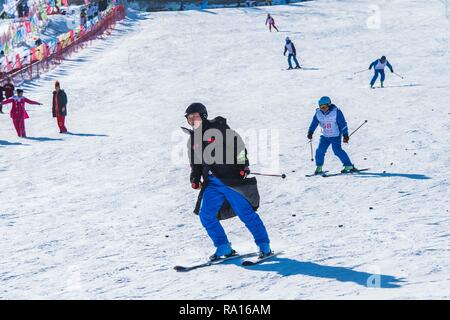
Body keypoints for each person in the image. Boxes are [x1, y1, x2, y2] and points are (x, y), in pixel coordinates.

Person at [183, 103, 272, 260]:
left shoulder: (218, 128)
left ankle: (264, 246)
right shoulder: (193, 139)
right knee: (206, 215)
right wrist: (195, 178)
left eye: (195, 116)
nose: (192, 120)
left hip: (230, 180)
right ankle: (223, 247)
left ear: (203, 115)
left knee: (246, 213)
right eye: (189, 118)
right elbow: (195, 163)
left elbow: (239, 147)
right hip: (211, 183)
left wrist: (243, 165)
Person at [307, 96, 357, 174]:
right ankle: (319, 167)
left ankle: (348, 165)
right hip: (324, 136)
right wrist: (310, 132)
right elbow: (314, 123)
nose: (323, 109)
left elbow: (343, 123)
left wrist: (345, 135)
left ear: (329, 105)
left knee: (337, 150)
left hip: (335, 135)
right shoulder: (318, 113)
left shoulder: (336, 112)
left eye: (324, 107)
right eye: (321, 107)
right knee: (320, 151)